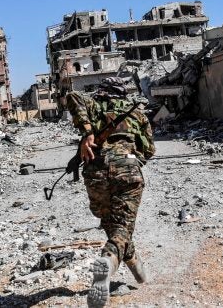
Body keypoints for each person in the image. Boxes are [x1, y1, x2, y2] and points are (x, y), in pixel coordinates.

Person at [65, 77, 155, 308]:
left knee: (114, 225)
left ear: (102, 93)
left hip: (96, 174)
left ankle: (138, 270)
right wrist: (133, 162)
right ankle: (108, 261)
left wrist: (87, 132)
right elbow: (149, 150)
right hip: (127, 171)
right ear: (123, 93)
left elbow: (72, 96)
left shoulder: (93, 106)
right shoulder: (137, 113)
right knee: (122, 228)